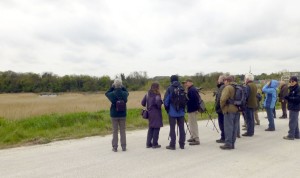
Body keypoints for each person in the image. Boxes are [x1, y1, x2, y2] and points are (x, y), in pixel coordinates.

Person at [105, 78, 129, 152]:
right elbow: (127, 92)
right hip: (123, 114)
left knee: (115, 131)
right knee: (123, 131)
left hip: (114, 114)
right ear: (121, 85)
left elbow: (106, 93)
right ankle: (124, 146)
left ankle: (115, 147)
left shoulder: (112, 94)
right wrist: (122, 86)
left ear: (114, 85)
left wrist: (112, 87)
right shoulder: (124, 94)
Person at [163, 75, 186, 150]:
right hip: (181, 112)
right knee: (181, 128)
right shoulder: (182, 87)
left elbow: (166, 101)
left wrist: (167, 109)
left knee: (172, 128)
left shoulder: (170, 88)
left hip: (172, 112)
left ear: (171, 80)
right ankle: (182, 144)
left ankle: (172, 145)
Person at [219, 75, 240, 150]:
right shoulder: (237, 87)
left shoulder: (228, 87)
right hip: (237, 109)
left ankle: (228, 144)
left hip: (229, 109)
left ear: (227, 81)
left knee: (228, 127)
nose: (224, 82)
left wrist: (222, 107)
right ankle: (232, 143)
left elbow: (223, 99)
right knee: (234, 127)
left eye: (224, 81)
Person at [141, 82, 163, 148]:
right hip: (156, 112)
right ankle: (155, 144)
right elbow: (158, 105)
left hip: (149, 113)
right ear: (157, 87)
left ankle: (148, 143)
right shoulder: (157, 95)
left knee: (151, 128)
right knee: (156, 127)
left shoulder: (147, 94)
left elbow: (142, 103)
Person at [183, 78, 200, 145]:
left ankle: (196, 138)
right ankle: (193, 136)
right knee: (191, 123)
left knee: (193, 124)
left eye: (187, 82)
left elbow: (194, 100)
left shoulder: (192, 90)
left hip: (193, 109)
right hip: (191, 109)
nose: (186, 84)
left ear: (190, 82)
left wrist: (187, 101)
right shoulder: (190, 89)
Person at [215, 75, 226, 143]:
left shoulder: (222, 87)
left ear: (221, 80)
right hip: (223, 108)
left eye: (219, 79)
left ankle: (223, 137)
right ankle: (224, 136)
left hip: (221, 109)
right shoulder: (224, 87)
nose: (218, 80)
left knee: (222, 124)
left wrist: (217, 107)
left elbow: (219, 99)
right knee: (223, 123)